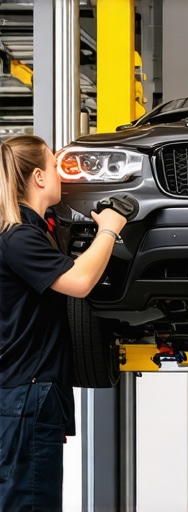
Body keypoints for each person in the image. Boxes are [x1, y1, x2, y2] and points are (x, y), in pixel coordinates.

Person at [0, 135, 127, 511]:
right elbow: (80, 282)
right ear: (39, 177)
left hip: (28, 393)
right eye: (57, 166)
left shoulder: (35, 232)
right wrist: (110, 227)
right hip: (27, 394)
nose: (64, 175)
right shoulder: (19, 239)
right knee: (30, 502)